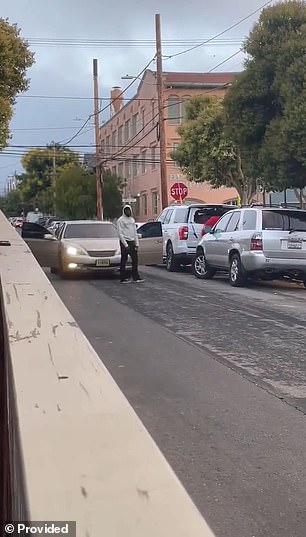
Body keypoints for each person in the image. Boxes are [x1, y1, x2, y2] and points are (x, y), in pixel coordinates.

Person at [117, 205, 144, 283]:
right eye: (126, 210)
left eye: (129, 210)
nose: (128, 212)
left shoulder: (132, 220)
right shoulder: (120, 220)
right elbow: (120, 233)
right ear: (124, 211)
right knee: (124, 260)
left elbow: (135, 232)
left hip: (132, 241)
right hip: (124, 241)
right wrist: (125, 244)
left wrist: (137, 243)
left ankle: (136, 277)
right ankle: (123, 278)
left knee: (135, 260)